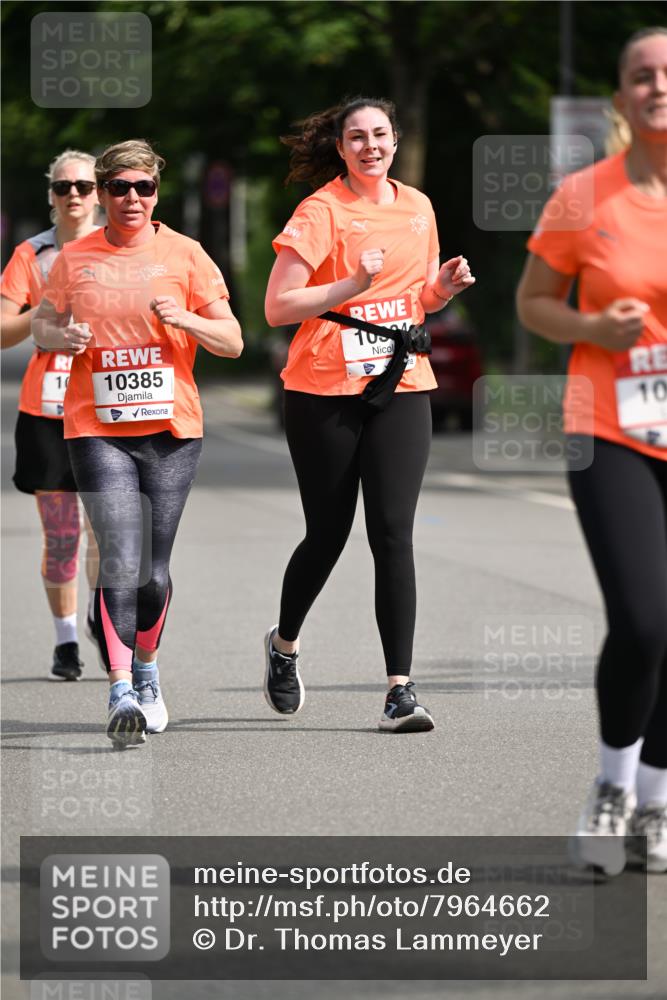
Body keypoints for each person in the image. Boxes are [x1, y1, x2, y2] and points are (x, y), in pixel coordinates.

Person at [263, 96, 475, 732]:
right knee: (328, 534)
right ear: (340, 148)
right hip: (324, 388)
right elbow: (278, 307)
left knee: (392, 532)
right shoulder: (320, 211)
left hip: (402, 380)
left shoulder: (418, 207)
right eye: (356, 137)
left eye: (380, 134)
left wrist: (442, 289)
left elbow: (418, 299)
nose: (369, 146)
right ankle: (284, 645)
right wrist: (351, 285)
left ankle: (399, 692)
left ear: (395, 141)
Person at [32, 139, 243, 748]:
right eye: (119, 187)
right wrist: (61, 336)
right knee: (121, 555)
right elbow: (42, 323)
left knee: (152, 571)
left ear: (156, 192)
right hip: (96, 428)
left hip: (171, 431)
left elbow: (232, 341)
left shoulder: (186, 253)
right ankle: (120, 687)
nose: (131, 198)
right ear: (102, 194)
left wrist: (186, 319)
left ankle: (148, 672)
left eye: (143, 187)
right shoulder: (75, 257)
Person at [517, 28, 667, 873]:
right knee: (643, 620)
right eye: (641, 76)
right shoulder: (584, 196)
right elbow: (533, 300)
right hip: (609, 425)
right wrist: (589, 326)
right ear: (619, 99)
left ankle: (655, 796)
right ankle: (611, 787)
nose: (658, 86)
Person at [1, 150, 101, 680]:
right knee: (63, 535)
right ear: (52, 196)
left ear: (98, 193)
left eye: (83, 186)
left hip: (108, 407)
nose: (74, 195)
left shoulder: (122, 246)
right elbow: (2, 331)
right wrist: (40, 313)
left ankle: (101, 618)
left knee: (105, 533)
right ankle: (66, 642)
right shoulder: (33, 254)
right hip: (47, 408)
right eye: (64, 187)